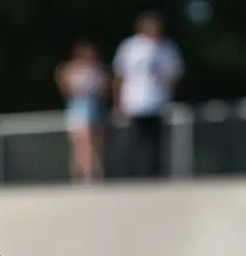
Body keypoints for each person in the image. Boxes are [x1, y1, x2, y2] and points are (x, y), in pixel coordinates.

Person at [113, 11, 184, 178]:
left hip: (159, 103)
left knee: (158, 142)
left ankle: (156, 175)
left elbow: (175, 75)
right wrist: (118, 102)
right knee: (137, 141)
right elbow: (119, 75)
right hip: (135, 103)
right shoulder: (130, 47)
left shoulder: (167, 47)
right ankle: (137, 175)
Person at [56, 41, 110, 183]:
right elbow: (65, 86)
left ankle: (94, 173)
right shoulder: (72, 70)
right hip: (78, 107)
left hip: (94, 106)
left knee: (95, 143)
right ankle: (81, 175)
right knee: (81, 143)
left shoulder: (96, 71)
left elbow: (103, 89)